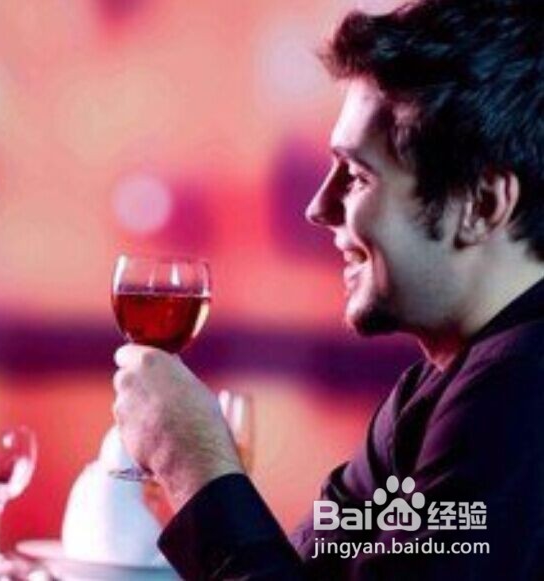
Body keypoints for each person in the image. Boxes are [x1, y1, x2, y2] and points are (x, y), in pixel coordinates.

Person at [113, 0, 543, 578]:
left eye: (359, 176)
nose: (318, 207)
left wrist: (191, 462)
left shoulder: (518, 396)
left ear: (483, 204)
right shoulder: (434, 387)